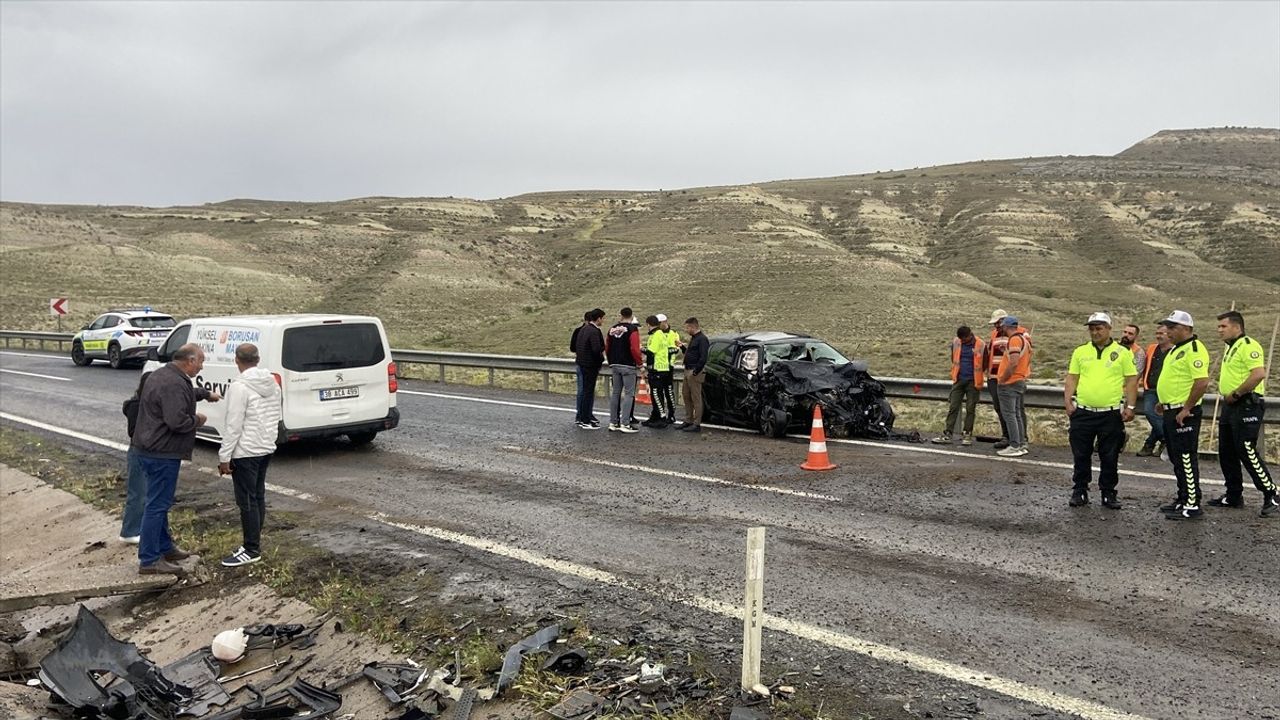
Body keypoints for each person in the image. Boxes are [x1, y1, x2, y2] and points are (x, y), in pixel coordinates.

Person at [132, 343, 213, 575]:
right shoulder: (173, 383)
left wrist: (205, 394)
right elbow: (177, 421)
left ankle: (165, 548)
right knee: (157, 506)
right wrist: (197, 420)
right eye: (201, 361)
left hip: (148, 448)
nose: (201, 366)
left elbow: (183, 395)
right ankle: (149, 560)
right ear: (189, 360)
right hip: (161, 452)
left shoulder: (163, 374)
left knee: (158, 503)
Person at [217, 343, 283, 567]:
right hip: (265, 447)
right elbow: (277, 414)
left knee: (246, 501)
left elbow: (233, 424)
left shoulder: (239, 387)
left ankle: (251, 548)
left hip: (245, 451)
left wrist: (224, 456)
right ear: (258, 359)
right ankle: (253, 541)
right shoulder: (273, 384)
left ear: (237, 360)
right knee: (257, 496)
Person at [1062, 313, 1138, 508]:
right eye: (1092, 328)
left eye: (1099, 328)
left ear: (1109, 329)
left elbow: (1131, 380)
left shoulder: (1122, 352)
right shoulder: (1080, 352)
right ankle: (1080, 490)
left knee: (1110, 455)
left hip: (1110, 413)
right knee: (1081, 454)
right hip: (1084, 412)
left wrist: (1130, 406)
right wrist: (1068, 401)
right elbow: (1072, 377)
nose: (1095, 332)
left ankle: (1108, 493)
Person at [1210, 310, 1276, 516]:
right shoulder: (1231, 347)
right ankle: (1233, 494)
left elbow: (1258, 374)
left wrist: (1237, 394)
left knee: (1246, 450)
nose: (1219, 330)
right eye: (1219, 326)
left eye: (1223, 326)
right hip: (1230, 406)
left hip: (1245, 404)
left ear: (1237, 327)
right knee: (1227, 451)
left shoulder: (1248, 345)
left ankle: (1271, 495)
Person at [1155, 311, 1211, 520]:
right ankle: (1183, 497)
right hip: (1171, 409)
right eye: (1167, 327)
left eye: (1172, 327)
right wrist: (1165, 401)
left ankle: (1193, 503)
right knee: (1177, 458)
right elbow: (1177, 379)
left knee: (1186, 457)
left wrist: (1186, 407)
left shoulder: (1194, 350)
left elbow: (1201, 382)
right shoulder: (1175, 350)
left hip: (1184, 413)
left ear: (1186, 329)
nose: (1168, 331)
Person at [932, 326, 984, 446]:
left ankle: (967, 434)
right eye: (961, 339)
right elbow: (953, 357)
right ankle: (948, 433)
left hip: (973, 381)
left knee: (971, 408)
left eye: (964, 339)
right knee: (953, 406)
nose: (963, 341)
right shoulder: (956, 342)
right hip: (959, 379)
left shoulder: (980, 344)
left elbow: (984, 361)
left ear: (970, 335)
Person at [994, 315, 1032, 457]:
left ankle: (1014, 445)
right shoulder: (1024, 340)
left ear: (1006, 326)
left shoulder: (1015, 340)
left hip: (1010, 383)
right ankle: (1021, 444)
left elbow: (1014, 363)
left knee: (1010, 415)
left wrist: (1003, 379)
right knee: (1016, 414)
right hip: (1019, 380)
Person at [604, 307, 643, 433]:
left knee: (615, 393)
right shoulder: (633, 329)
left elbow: (607, 346)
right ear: (631, 316)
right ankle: (625, 423)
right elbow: (634, 348)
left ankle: (613, 422)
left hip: (615, 364)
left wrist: (610, 361)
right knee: (629, 394)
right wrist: (640, 364)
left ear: (620, 315)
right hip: (628, 365)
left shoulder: (611, 329)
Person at [1136, 324, 1173, 457]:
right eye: (1157, 333)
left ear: (1169, 334)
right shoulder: (1151, 348)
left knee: (1160, 418)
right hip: (1150, 388)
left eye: (1161, 333)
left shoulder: (1175, 351)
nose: (1158, 336)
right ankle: (1167, 439)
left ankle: (1149, 444)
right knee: (1150, 412)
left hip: (1167, 390)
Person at [642, 314, 679, 428]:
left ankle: (664, 417)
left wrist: (641, 349)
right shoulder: (660, 334)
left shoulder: (666, 334)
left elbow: (653, 351)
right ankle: (656, 416)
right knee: (658, 394)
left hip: (661, 367)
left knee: (659, 393)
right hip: (662, 367)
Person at [981, 309, 1012, 448]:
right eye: (995, 324)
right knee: (999, 408)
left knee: (1011, 409)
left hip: (1008, 378)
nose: (996, 326)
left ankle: (1016, 437)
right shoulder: (994, 335)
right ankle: (1006, 436)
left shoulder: (1016, 334)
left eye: (998, 323)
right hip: (993, 377)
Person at [574, 309, 605, 429]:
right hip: (590, 365)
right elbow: (596, 349)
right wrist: (601, 359)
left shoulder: (583, 329)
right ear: (598, 319)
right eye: (602, 318)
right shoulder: (594, 331)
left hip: (582, 363)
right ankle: (586, 420)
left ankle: (582, 417)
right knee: (588, 392)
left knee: (584, 392)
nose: (603, 321)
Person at [679, 317, 709, 432]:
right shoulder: (694, 338)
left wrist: (696, 371)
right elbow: (691, 353)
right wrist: (682, 347)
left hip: (694, 371)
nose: (686, 330)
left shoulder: (702, 339)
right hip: (687, 369)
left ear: (692, 327)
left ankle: (697, 423)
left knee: (696, 398)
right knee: (686, 395)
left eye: (687, 328)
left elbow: (703, 357)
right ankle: (688, 420)